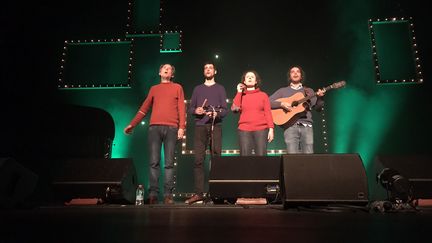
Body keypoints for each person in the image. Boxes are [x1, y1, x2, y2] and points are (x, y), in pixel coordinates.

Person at [124, 63, 186, 204]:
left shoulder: (177, 87)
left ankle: (168, 195)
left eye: (170, 68)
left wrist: (181, 127)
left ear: (172, 74)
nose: (167, 69)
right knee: (153, 162)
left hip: (171, 128)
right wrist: (132, 124)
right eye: (164, 68)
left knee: (169, 163)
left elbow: (181, 108)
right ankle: (153, 194)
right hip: (154, 128)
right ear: (160, 72)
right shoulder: (154, 89)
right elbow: (144, 109)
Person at [185, 62, 228, 205]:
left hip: (216, 125)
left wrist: (217, 113)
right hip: (200, 126)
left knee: (216, 159)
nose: (208, 70)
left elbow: (225, 110)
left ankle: (215, 193)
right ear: (204, 71)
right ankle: (198, 194)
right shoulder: (198, 89)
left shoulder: (220, 88)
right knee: (198, 160)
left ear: (215, 71)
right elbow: (190, 109)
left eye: (210, 68)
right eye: (205, 68)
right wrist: (196, 110)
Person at [269, 65, 325, 154]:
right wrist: (281, 104)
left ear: (301, 76)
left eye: (298, 71)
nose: (295, 73)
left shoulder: (309, 91)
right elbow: (268, 102)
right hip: (290, 126)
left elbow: (318, 108)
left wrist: (320, 98)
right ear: (289, 76)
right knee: (292, 157)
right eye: (292, 72)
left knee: (308, 155)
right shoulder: (283, 91)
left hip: (307, 126)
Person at [231, 70, 274, 156]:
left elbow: (268, 113)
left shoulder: (263, 95)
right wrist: (239, 92)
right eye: (247, 77)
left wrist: (271, 129)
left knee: (261, 157)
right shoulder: (241, 95)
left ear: (256, 81)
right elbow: (235, 109)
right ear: (244, 81)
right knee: (245, 157)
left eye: (252, 77)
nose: (250, 78)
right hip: (244, 130)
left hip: (261, 129)